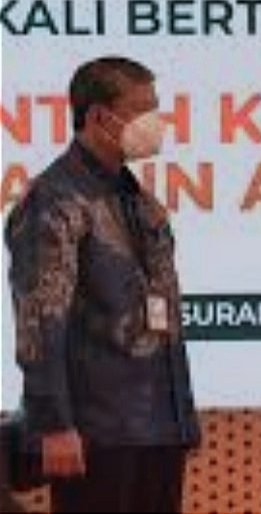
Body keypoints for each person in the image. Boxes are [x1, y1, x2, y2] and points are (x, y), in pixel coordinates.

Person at [5, 56, 200, 512]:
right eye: (142, 109)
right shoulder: (54, 199)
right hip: (96, 431)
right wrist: (54, 424)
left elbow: (164, 315)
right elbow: (39, 320)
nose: (156, 122)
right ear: (98, 116)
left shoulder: (140, 201)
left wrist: (181, 416)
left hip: (158, 427)